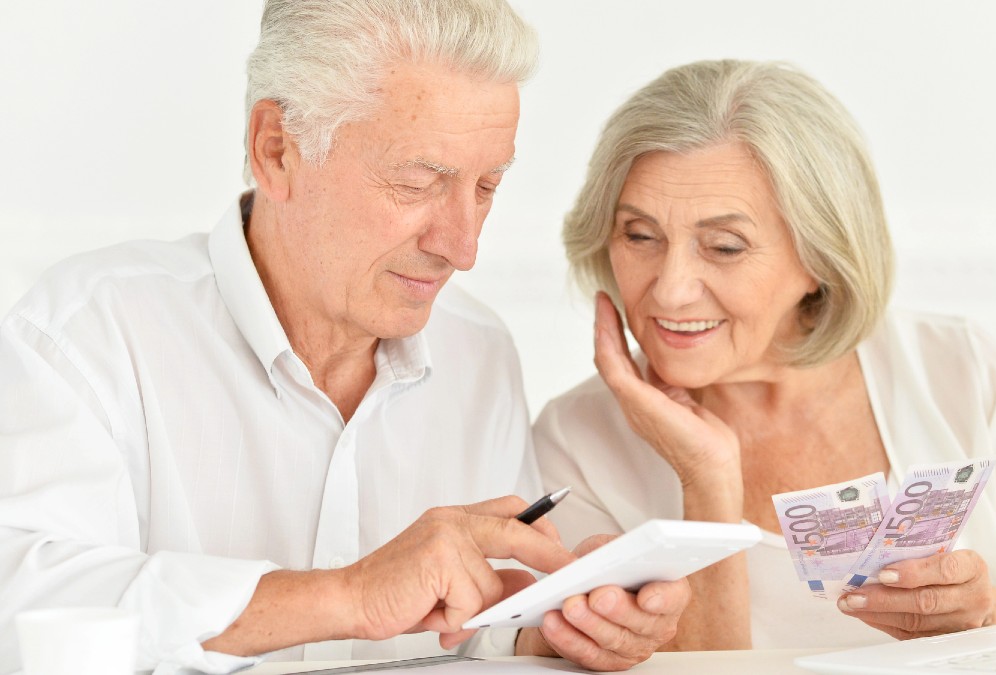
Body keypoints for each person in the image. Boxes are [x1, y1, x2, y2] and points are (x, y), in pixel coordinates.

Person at [0, 2, 689, 673]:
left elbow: (479, 631)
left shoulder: (480, 352)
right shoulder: (87, 332)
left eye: (487, 187)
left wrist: (565, 624)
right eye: (418, 182)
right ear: (276, 151)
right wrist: (348, 595)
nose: (463, 244)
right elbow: (24, 610)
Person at [533, 59, 996, 651]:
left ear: (819, 257)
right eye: (639, 236)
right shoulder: (575, 438)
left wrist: (986, 619)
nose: (670, 288)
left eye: (725, 246)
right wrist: (705, 483)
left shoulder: (958, 370)